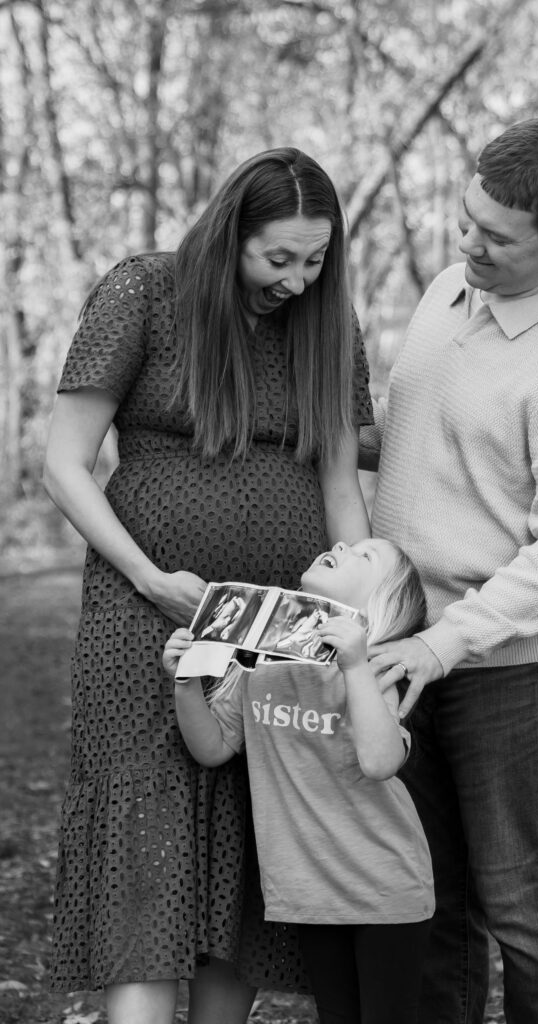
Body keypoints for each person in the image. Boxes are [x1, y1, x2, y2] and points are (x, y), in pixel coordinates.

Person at [43, 147, 373, 1024]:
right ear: (230, 235)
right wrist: (151, 578)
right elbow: (63, 463)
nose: (298, 281)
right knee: (141, 833)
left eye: (315, 260)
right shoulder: (143, 293)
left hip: (280, 621)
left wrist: (360, 625)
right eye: (278, 258)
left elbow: (341, 489)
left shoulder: (329, 327)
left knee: (250, 833)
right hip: (142, 606)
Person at [360, 118, 538, 1024]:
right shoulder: (449, 290)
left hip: (514, 669)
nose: (467, 244)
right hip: (411, 649)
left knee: (525, 913)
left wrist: (448, 644)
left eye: (495, 237)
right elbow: (414, 441)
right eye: (467, 218)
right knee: (431, 901)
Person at [162, 538, 435, 1024]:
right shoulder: (260, 665)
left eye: (364, 557)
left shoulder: (373, 672)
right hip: (309, 890)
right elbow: (212, 748)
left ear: (377, 609)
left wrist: (352, 665)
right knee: (336, 1015)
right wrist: (186, 680)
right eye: (348, 545)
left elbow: (379, 761)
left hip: (384, 887)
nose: (341, 544)